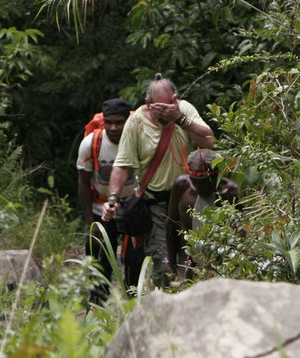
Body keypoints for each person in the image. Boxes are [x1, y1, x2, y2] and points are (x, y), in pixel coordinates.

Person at [103, 75, 215, 288]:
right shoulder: (136, 122)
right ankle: (163, 307)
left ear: (175, 99)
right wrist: (113, 198)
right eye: (159, 108)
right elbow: (122, 164)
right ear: (148, 103)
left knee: (198, 259)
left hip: (188, 201)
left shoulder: (185, 110)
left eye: (168, 107)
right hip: (157, 204)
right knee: (165, 264)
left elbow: (209, 141)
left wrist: (179, 118)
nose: (164, 113)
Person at [76, 98, 137, 303]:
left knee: (134, 260)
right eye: (109, 122)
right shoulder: (90, 143)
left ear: (127, 121)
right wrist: (89, 221)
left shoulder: (138, 141)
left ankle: (133, 304)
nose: (113, 127)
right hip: (100, 207)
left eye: (119, 122)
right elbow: (83, 182)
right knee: (97, 261)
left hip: (133, 206)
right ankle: (96, 306)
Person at [166, 148, 240, 281]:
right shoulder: (182, 186)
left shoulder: (231, 193)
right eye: (195, 182)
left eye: (204, 183)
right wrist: (171, 264)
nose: (199, 188)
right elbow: (171, 224)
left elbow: (240, 232)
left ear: (216, 176)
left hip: (220, 260)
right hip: (187, 259)